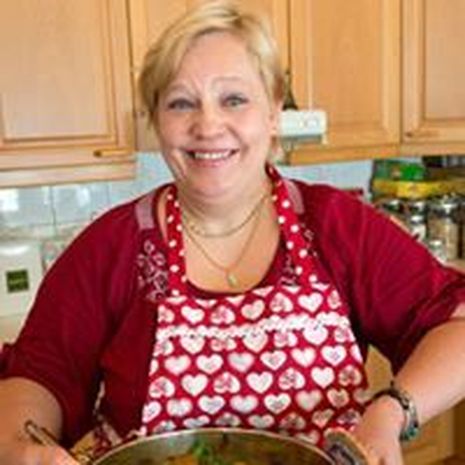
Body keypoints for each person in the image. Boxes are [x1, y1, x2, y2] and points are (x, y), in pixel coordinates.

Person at [1, 1, 465, 464]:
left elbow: (456, 324)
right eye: (181, 102)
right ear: (156, 120)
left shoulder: (338, 227)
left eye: (234, 99)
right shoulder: (112, 247)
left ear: (273, 111)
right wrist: (20, 449)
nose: (207, 125)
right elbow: (40, 375)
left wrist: (391, 412)